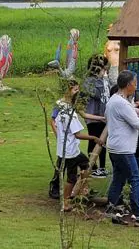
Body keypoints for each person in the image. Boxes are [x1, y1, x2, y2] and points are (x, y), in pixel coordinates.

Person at [105, 70, 139, 228]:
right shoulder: (121, 103)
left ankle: (112, 207)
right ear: (129, 85)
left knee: (118, 177)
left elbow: (128, 112)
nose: (136, 87)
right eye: (135, 83)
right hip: (124, 149)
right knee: (136, 179)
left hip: (115, 148)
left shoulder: (115, 100)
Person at [51, 79, 104, 211]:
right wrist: (94, 138)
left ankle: (81, 190)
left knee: (86, 165)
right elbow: (77, 134)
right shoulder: (68, 112)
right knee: (71, 177)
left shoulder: (67, 110)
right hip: (70, 151)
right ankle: (66, 202)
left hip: (70, 149)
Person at [82, 54, 111, 178]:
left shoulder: (105, 79)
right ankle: (92, 167)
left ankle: (102, 167)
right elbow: (97, 95)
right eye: (104, 68)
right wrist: (100, 79)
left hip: (104, 116)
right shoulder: (89, 80)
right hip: (93, 116)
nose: (106, 70)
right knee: (94, 140)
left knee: (103, 141)